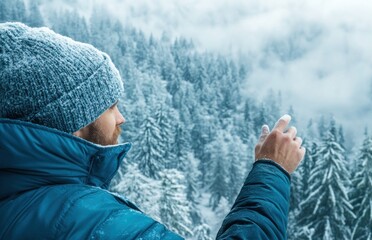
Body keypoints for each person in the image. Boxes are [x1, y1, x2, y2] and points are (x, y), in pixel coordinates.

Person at [0, 22, 305, 239]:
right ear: (73, 119)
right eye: (109, 107)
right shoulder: (91, 223)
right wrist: (272, 170)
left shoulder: (18, 201)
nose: (121, 118)